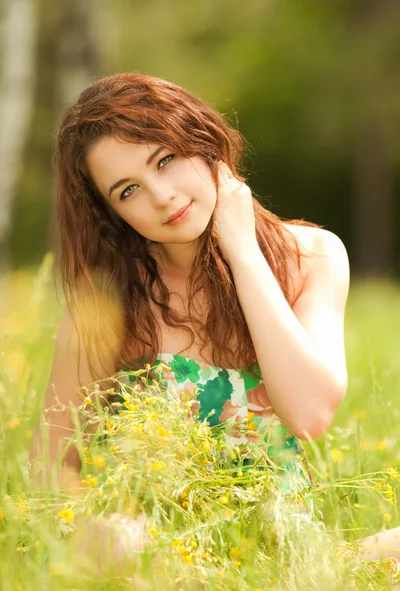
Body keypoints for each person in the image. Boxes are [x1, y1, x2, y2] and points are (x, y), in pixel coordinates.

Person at [29, 72, 399, 562]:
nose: (161, 195)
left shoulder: (312, 256)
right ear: (111, 215)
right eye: (127, 191)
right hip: (158, 557)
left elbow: (309, 415)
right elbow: (48, 467)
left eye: (166, 160)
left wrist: (243, 252)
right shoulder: (107, 306)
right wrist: (95, 531)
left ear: (202, 141)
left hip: (287, 552)